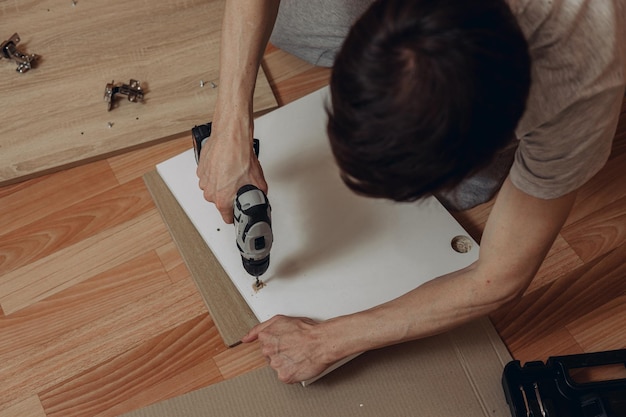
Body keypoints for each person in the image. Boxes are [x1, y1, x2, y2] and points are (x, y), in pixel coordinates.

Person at [197, 0, 625, 384]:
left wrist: (327, 339)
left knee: (457, 198)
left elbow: (500, 277)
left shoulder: (580, 90)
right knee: (289, 26)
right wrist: (231, 127)